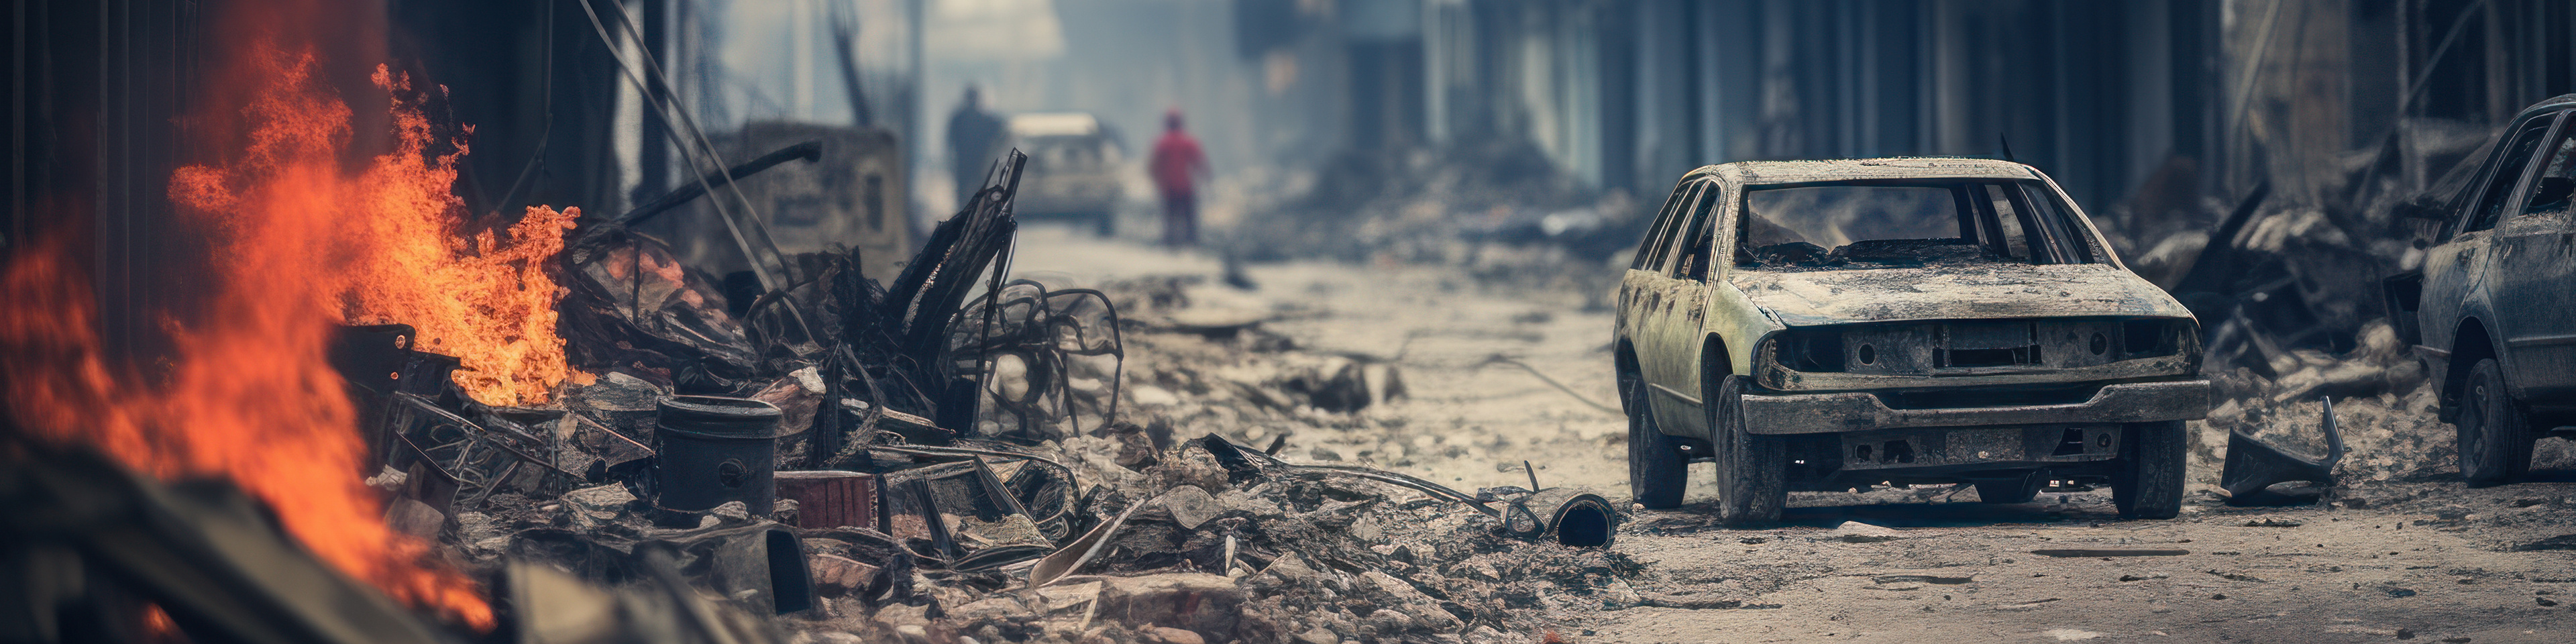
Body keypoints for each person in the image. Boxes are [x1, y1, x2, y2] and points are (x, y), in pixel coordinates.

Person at [1147, 108, 1209, 247]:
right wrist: (1206, 177)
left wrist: (1157, 181)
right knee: (1189, 219)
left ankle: (1170, 244)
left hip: (1169, 188)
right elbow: (1199, 162)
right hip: (1186, 186)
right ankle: (1192, 244)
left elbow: (1154, 166)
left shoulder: (1163, 143)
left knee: (1170, 219)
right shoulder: (1188, 142)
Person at [946, 85, 1006, 209]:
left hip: (977, 164)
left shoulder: (960, 118)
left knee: (975, 192)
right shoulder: (962, 119)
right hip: (971, 164)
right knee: (970, 193)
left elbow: (1002, 133)